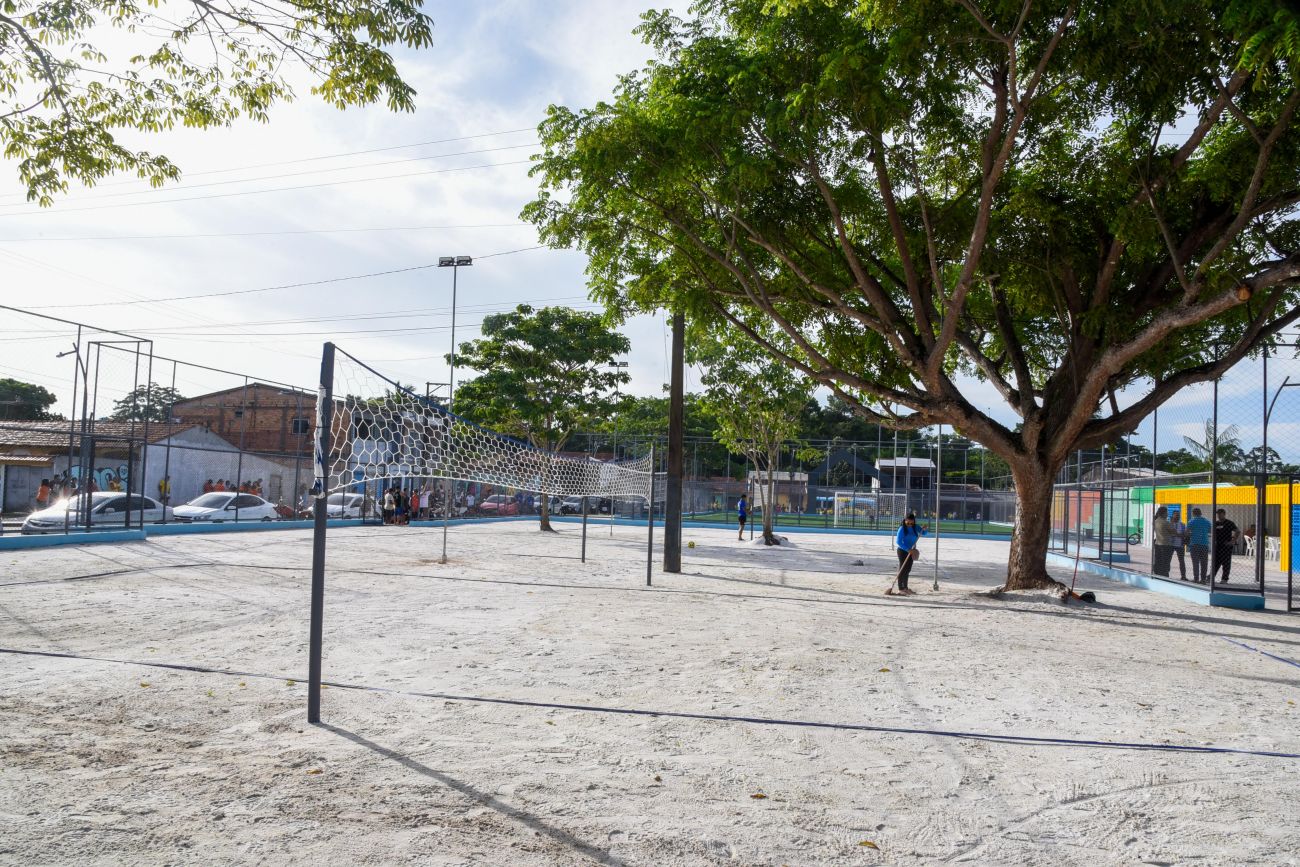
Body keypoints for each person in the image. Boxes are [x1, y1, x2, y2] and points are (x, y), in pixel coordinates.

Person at [891, 513, 928, 595]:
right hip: (903, 551)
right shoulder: (902, 529)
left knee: (908, 570)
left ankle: (905, 588)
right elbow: (898, 542)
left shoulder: (915, 527)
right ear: (904, 521)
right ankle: (900, 589)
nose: (910, 524)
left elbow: (924, 533)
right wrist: (908, 549)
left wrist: (924, 529)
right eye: (908, 523)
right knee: (902, 569)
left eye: (911, 523)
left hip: (912, 551)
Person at [1211, 509, 1239, 584]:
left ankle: (1224, 579)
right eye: (1217, 514)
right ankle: (1211, 576)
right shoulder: (1216, 523)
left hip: (1226, 546)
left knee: (1226, 563)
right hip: (1217, 546)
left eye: (1220, 514)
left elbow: (1237, 531)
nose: (1218, 515)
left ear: (1224, 514)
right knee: (1215, 562)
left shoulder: (1229, 523)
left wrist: (1232, 541)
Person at [1186, 507, 1211, 583]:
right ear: (1201, 513)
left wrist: (1192, 534)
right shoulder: (1206, 521)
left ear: (1193, 513)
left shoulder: (1191, 521)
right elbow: (1210, 531)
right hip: (1204, 544)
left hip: (1194, 544)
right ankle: (1203, 579)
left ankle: (1196, 578)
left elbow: (1187, 532)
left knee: (1195, 562)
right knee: (1204, 563)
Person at [1151, 506, 1173, 576]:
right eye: (1167, 513)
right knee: (1165, 561)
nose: (1167, 514)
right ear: (1163, 513)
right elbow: (1173, 532)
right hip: (1166, 544)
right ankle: (1165, 574)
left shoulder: (1155, 521)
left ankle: (1157, 573)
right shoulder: (1165, 522)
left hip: (1157, 543)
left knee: (1158, 559)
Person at [1169, 510, 1187, 581]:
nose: (1177, 516)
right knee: (1168, 560)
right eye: (1176, 515)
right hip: (1171, 545)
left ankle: (1183, 576)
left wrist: (1179, 535)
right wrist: (1178, 535)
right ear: (1173, 515)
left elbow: (1184, 534)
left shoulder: (1182, 524)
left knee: (1182, 561)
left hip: (1180, 545)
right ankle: (1166, 574)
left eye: (1178, 515)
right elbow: (1168, 533)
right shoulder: (1169, 524)